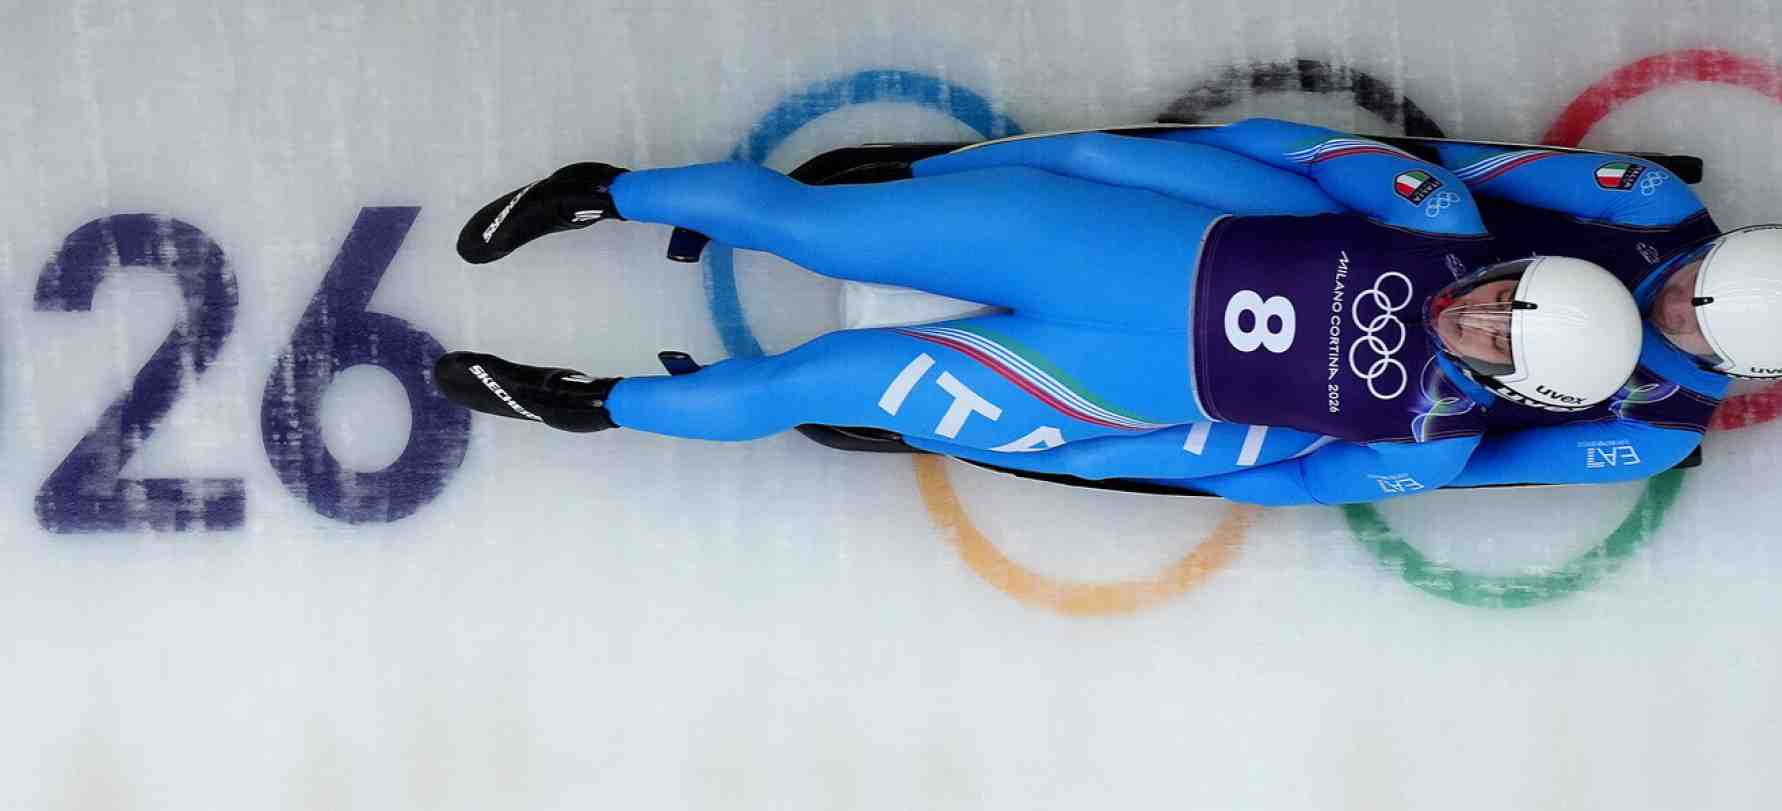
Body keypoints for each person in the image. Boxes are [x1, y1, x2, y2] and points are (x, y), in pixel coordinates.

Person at [435, 120, 1644, 504]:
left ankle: (588, 405)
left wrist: (1087, 451)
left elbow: (1254, 481)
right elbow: (1253, 169)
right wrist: (1070, 161)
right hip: (1104, 251)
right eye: (1502, 297)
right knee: (813, 223)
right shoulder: (1434, 218)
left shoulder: (1430, 451)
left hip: (1085, 382)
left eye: (1497, 344)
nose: (1476, 318)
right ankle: (604, 196)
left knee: (816, 385)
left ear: (1514, 391)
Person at [1415, 142, 1782, 488]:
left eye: (1702, 327)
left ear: (1728, 364)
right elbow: (1468, 169)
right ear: (1713, 250)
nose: (1676, 306)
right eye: (1698, 278)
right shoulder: (1651, 202)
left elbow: (1465, 468)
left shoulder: (1658, 433)